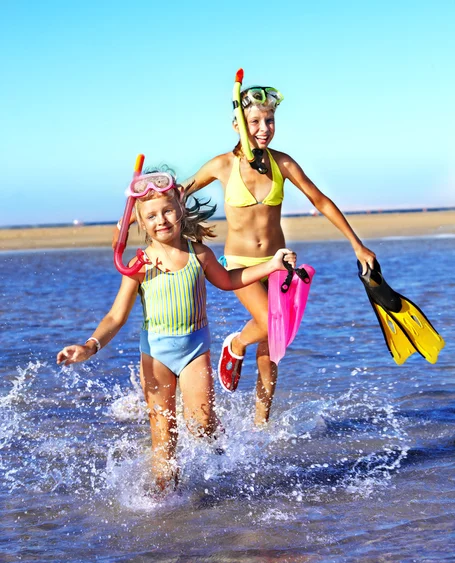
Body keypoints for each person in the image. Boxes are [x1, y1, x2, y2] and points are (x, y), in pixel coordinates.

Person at [113, 82, 377, 427]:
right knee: (270, 323)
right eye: (254, 122)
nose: (263, 129)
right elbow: (174, 195)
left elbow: (320, 201)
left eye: (269, 121)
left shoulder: (282, 163)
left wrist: (357, 244)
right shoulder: (222, 165)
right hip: (238, 264)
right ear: (237, 124)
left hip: (278, 265)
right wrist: (131, 217)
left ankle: (260, 425)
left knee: (272, 351)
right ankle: (236, 345)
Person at [58, 168, 297, 492]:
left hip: (194, 350)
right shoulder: (139, 265)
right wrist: (89, 346)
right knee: (163, 432)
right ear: (140, 223)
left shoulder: (198, 253)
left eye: (168, 210)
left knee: (200, 424)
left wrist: (271, 265)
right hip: (155, 354)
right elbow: (116, 316)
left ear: (180, 209)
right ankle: (165, 497)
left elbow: (229, 281)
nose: (162, 220)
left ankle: (224, 450)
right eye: (152, 215)